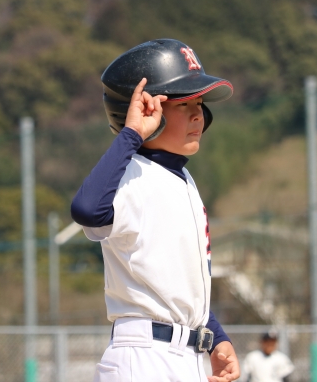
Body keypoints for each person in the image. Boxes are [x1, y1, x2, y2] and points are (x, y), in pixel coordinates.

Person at [71, 39, 240, 382]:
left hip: (185, 355)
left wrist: (216, 336)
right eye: (183, 103)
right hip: (144, 355)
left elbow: (177, 283)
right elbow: (87, 210)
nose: (198, 114)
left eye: (199, 103)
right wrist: (132, 134)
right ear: (145, 110)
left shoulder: (183, 179)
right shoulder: (132, 173)